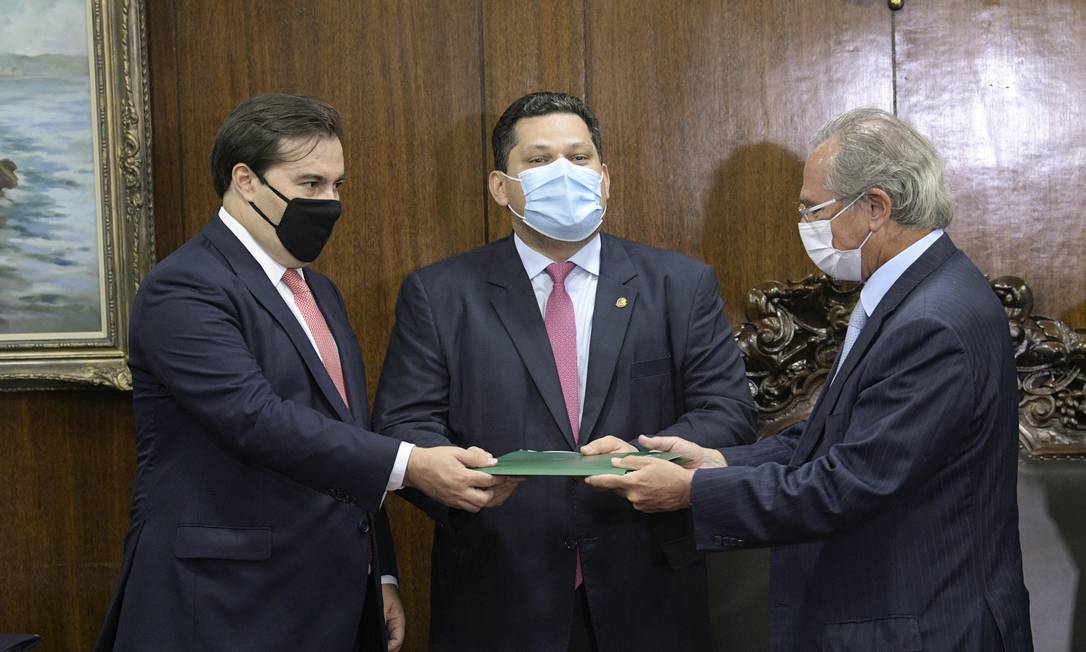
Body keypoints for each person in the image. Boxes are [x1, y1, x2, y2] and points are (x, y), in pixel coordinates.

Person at [586, 108, 1033, 650]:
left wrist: (694, 492)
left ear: (874, 207)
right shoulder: (923, 291)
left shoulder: (930, 320)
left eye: (812, 208)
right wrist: (717, 460)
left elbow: (848, 483)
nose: (804, 224)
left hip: (919, 625)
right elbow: (836, 435)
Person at [95, 93, 501, 652]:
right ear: (246, 180)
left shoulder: (318, 291)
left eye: (337, 186)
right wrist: (411, 465)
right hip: (221, 601)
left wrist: (377, 571)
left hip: (330, 598)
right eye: (311, 184)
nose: (329, 202)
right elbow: (254, 418)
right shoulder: (185, 286)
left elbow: (349, 433)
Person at [372, 91, 756, 651]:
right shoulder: (439, 293)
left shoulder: (680, 285)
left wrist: (645, 454)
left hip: (648, 590)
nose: (563, 174)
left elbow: (729, 412)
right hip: (498, 592)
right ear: (500, 187)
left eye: (579, 159)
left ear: (605, 178)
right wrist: (459, 480)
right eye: (537, 159)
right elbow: (403, 423)